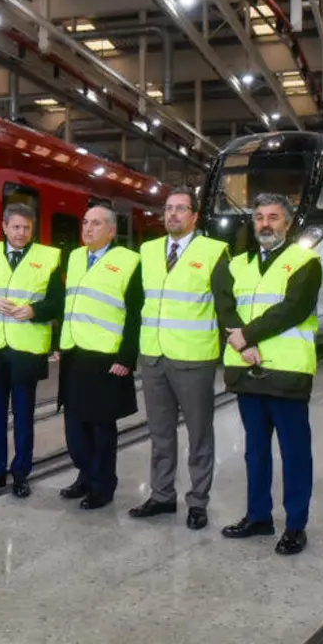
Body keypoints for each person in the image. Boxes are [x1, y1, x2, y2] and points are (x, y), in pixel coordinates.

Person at [213, 192, 322, 555]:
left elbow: (294, 309)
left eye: (273, 217)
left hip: (287, 372)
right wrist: (243, 345)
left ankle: (295, 525)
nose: (265, 223)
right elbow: (225, 305)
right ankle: (258, 515)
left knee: (294, 453)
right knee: (255, 451)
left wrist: (248, 334)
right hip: (248, 372)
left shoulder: (305, 262)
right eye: (259, 216)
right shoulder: (237, 264)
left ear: (287, 223)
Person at [130, 189, 229, 530]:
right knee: (160, 433)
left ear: (194, 216)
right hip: (154, 357)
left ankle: (198, 501)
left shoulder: (214, 252)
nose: (172, 214)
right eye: (169, 209)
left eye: (180, 209)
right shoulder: (147, 250)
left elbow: (224, 305)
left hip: (194, 358)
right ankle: (161, 495)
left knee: (199, 434)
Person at [0, 203, 65, 498]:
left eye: (27, 228)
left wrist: (35, 310)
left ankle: (21, 473)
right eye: (16, 227)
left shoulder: (48, 257)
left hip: (26, 350)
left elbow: (58, 302)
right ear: (5, 227)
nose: (21, 233)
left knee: (23, 417)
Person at [57, 205, 143, 510]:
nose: (88, 229)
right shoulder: (76, 257)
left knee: (101, 428)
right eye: (85, 222)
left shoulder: (130, 261)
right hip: (74, 352)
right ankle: (85, 475)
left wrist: (127, 356)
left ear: (110, 230)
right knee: (75, 425)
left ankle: (102, 485)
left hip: (106, 357)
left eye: (96, 224)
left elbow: (135, 314)